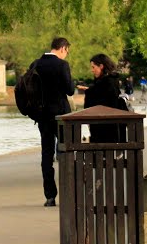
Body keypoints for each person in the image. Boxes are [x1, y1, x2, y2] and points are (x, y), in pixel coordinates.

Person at [29, 37, 75, 207]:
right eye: (67, 51)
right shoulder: (62, 65)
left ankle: (50, 196)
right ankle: (68, 192)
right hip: (61, 115)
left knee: (46, 155)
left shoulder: (35, 64)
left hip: (42, 115)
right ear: (62, 48)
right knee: (65, 152)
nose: (66, 54)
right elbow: (70, 90)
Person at [77, 53, 126, 143]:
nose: (92, 70)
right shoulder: (110, 81)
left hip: (105, 129)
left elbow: (103, 103)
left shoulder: (107, 83)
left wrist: (89, 91)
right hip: (109, 128)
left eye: (93, 67)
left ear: (101, 66)